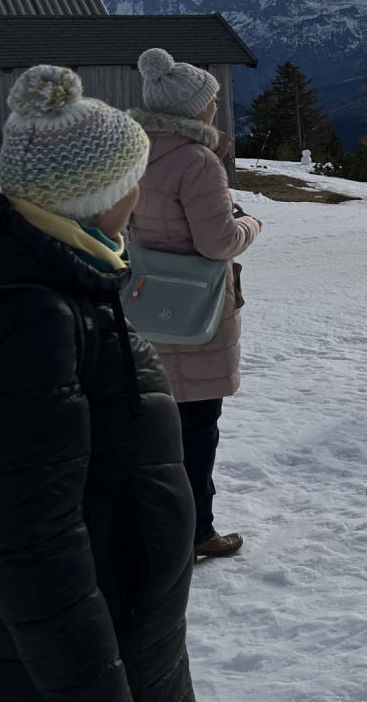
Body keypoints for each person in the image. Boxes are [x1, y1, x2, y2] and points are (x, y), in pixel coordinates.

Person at [0, 65, 195, 702]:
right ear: (104, 195)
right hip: (47, 660)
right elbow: (30, 545)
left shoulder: (50, 278)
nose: (139, 196)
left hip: (83, 632)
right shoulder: (33, 320)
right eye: (132, 182)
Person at [128, 48, 262, 560]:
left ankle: (143, 518)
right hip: (194, 306)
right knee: (197, 428)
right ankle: (195, 531)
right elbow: (218, 243)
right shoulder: (197, 161)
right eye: (211, 99)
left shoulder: (136, 151)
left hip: (141, 301)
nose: (216, 105)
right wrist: (250, 223)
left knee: (151, 422)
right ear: (192, 109)